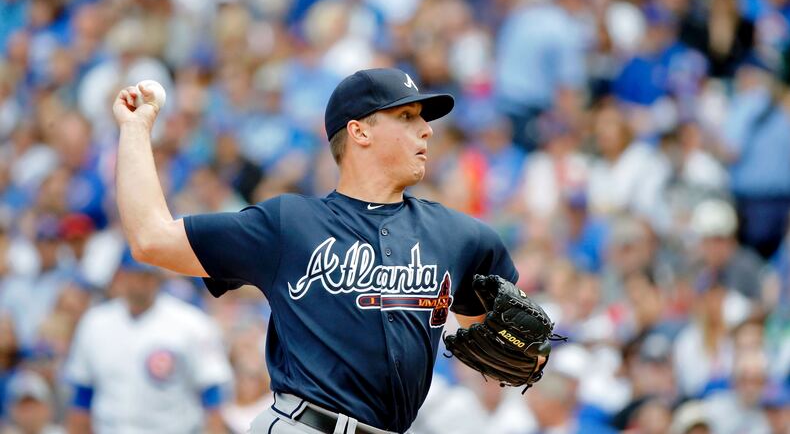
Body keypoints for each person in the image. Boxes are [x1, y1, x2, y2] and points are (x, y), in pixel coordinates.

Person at [111, 68, 547, 433]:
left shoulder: (461, 237)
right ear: (359, 131)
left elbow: (499, 346)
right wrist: (135, 129)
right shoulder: (289, 224)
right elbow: (151, 238)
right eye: (408, 116)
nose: (427, 129)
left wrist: (528, 355)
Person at [64, 252, 232, 433]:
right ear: (122, 276)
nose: (141, 284)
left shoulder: (192, 323)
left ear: (158, 278)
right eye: (136, 275)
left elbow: (212, 394)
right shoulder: (95, 322)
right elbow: (82, 396)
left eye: (147, 276)